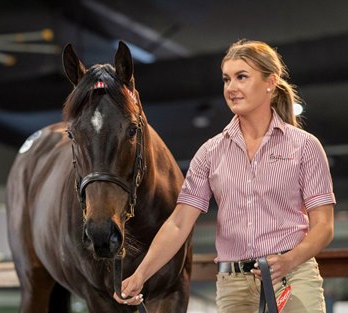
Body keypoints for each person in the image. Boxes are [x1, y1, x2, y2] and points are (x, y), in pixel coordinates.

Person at [113, 39, 335, 312]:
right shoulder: (210, 152)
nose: (231, 88)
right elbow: (179, 224)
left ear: (270, 82)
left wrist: (290, 260)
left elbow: (323, 226)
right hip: (233, 285)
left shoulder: (304, 146)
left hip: (293, 278)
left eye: (242, 77)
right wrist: (140, 275)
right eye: (226, 79)